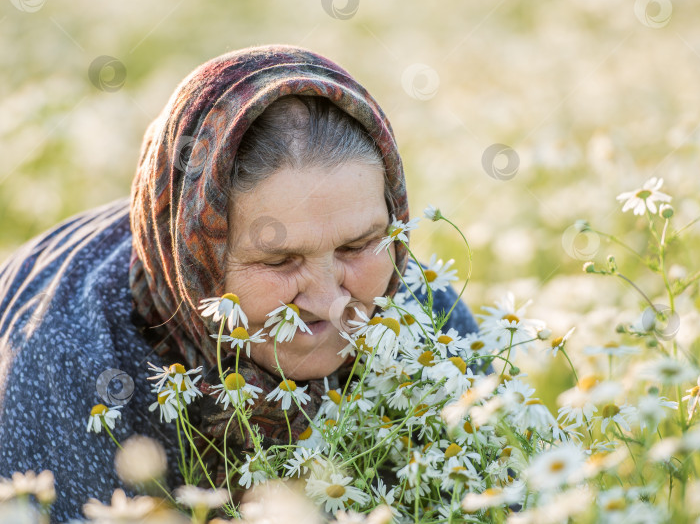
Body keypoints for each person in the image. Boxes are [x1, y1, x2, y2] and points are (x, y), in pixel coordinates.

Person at [0, 44, 479, 521]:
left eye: (357, 246)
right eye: (281, 260)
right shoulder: (68, 364)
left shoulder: (422, 322)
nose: (331, 299)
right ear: (197, 258)